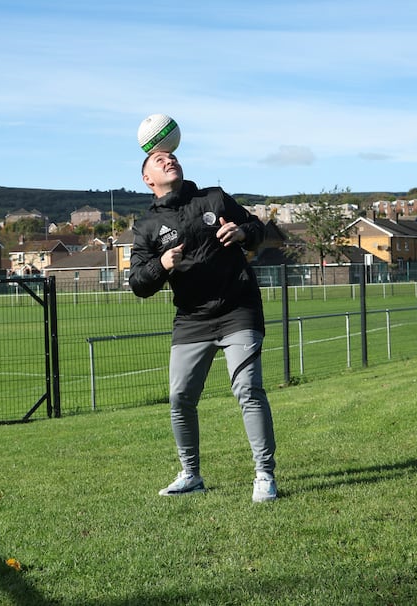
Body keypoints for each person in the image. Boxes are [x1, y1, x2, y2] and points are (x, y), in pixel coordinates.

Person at [128, 149, 277, 502]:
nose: (169, 161)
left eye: (172, 156)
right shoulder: (146, 226)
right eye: (159, 160)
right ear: (148, 179)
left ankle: (264, 474)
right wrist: (161, 264)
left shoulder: (214, 197)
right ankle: (191, 475)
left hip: (238, 308)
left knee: (247, 389)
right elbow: (138, 284)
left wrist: (241, 233)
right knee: (180, 397)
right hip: (192, 318)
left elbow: (259, 229)